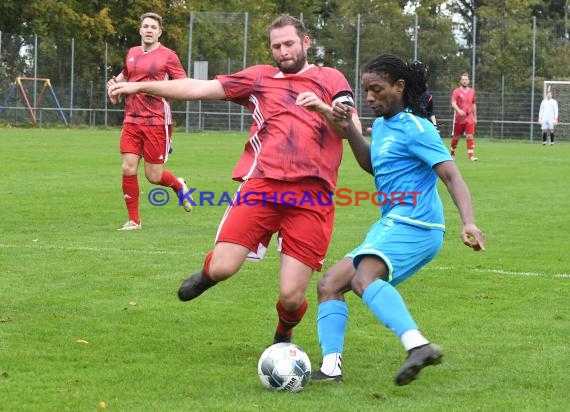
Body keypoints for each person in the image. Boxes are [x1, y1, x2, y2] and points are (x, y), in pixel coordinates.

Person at [110, 14, 359, 344]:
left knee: (291, 297)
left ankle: (284, 331)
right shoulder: (259, 78)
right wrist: (139, 86)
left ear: (306, 43)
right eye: (276, 46)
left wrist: (322, 109)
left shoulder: (331, 78)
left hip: (312, 198)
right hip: (262, 187)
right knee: (224, 267)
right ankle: (208, 273)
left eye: (289, 44)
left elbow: (350, 129)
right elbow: (196, 88)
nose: (283, 51)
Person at [310, 54, 485, 386]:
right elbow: (372, 165)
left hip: (418, 225)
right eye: (366, 91)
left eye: (377, 89)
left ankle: (417, 346)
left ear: (399, 86)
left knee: (364, 280)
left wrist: (469, 222)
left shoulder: (418, 128)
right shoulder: (384, 126)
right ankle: (331, 369)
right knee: (329, 284)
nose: (371, 97)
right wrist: (349, 129)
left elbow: (451, 176)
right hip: (393, 222)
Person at [107, 12, 193, 231]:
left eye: (153, 27)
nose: (149, 30)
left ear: (159, 32)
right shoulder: (133, 53)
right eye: (145, 26)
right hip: (131, 120)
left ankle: (179, 185)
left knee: (153, 176)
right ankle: (134, 221)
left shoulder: (168, 56)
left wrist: (158, 92)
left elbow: (182, 84)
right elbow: (125, 75)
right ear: (140, 30)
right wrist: (114, 86)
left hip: (156, 121)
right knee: (127, 167)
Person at [450, 73, 478, 161]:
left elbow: (473, 104)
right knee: (456, 137)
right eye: (463, 79)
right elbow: (453, 103)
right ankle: (452, 153)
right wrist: (459, 110)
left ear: (469, 81)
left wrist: (475, 117)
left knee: (470, 136)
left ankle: (471, 156)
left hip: (469, 117)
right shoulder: (456, 91)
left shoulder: (472, 91)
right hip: (459, 118)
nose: (465, 81)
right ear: (460, 81)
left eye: (466, 79)